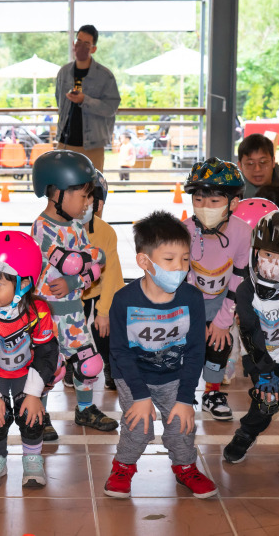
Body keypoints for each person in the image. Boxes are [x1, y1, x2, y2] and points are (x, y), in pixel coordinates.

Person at [103, 210, 217, 500]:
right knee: (138, 426)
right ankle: (123, 467)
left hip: (174, 375)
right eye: (169, 259)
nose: (179, 267)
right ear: (144, 261)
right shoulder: (124, 300)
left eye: (185, 259)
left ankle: (186, 467)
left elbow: (196, 351)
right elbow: (119, 352)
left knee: (182, 425)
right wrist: (140, 396)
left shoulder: (192, 298)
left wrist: (185, 398)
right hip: (133, 375)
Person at [0, 231, 60, 488]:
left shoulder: (38, 312)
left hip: (26, 373)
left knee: (31, 416)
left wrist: (34, 392)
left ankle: (32, 457)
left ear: (24, 283)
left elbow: (47, 353)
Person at [31, 150, 116, 439]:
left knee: (89, 363)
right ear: (57, 192)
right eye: (83, 195)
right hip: (46, 315)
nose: (89, 202)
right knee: (47, 368)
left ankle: (85, 409)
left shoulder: (77, 227)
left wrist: (74, 281)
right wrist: (86, 265)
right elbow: (73, 261)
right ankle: (39, 415)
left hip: (74, 311)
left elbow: (96, 264)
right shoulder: (42, 228)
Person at [223, 210, 279, 468]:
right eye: (267, 255)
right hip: (260, 357)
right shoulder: (246, 290)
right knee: (265, 403)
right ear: (255, 252)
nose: (273, 264)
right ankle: (247, 433)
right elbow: (250, 332)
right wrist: (264, 372)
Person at [182, 157, 252, 421]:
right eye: (198, 199)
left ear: (233, 203)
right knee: (185, 343)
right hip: (190, 300)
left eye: (214, 201)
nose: (204, 207)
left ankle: (212, 392)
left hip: (223, 299)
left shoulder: (243, 233)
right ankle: (184, 390)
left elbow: (239, 280)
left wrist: (222, 322)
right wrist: (196, 319)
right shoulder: (185, 230)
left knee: (219, 343)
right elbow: (183, 279)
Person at [55, 24, 120, 172]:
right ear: (73, 44)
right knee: (62, 183)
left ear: (93, 49)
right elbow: (59, 101)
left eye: (86, 44)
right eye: (78, 41)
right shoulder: (64, 73)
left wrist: (85, 100)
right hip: (65, 142)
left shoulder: (105, 76)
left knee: (92, 184)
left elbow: (110, 108)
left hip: (93, 146)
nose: (80, 47)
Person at [81, 172, 124, 390]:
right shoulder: (62, 230)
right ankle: (71, 363)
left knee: (104, 328)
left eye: (90, 198)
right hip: (74, 291)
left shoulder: (106, 232)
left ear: (99, 203)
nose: (85, 204)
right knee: (73, 326)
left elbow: (111, 276)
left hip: (100, 287)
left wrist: (104, 312)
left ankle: (109, 363)